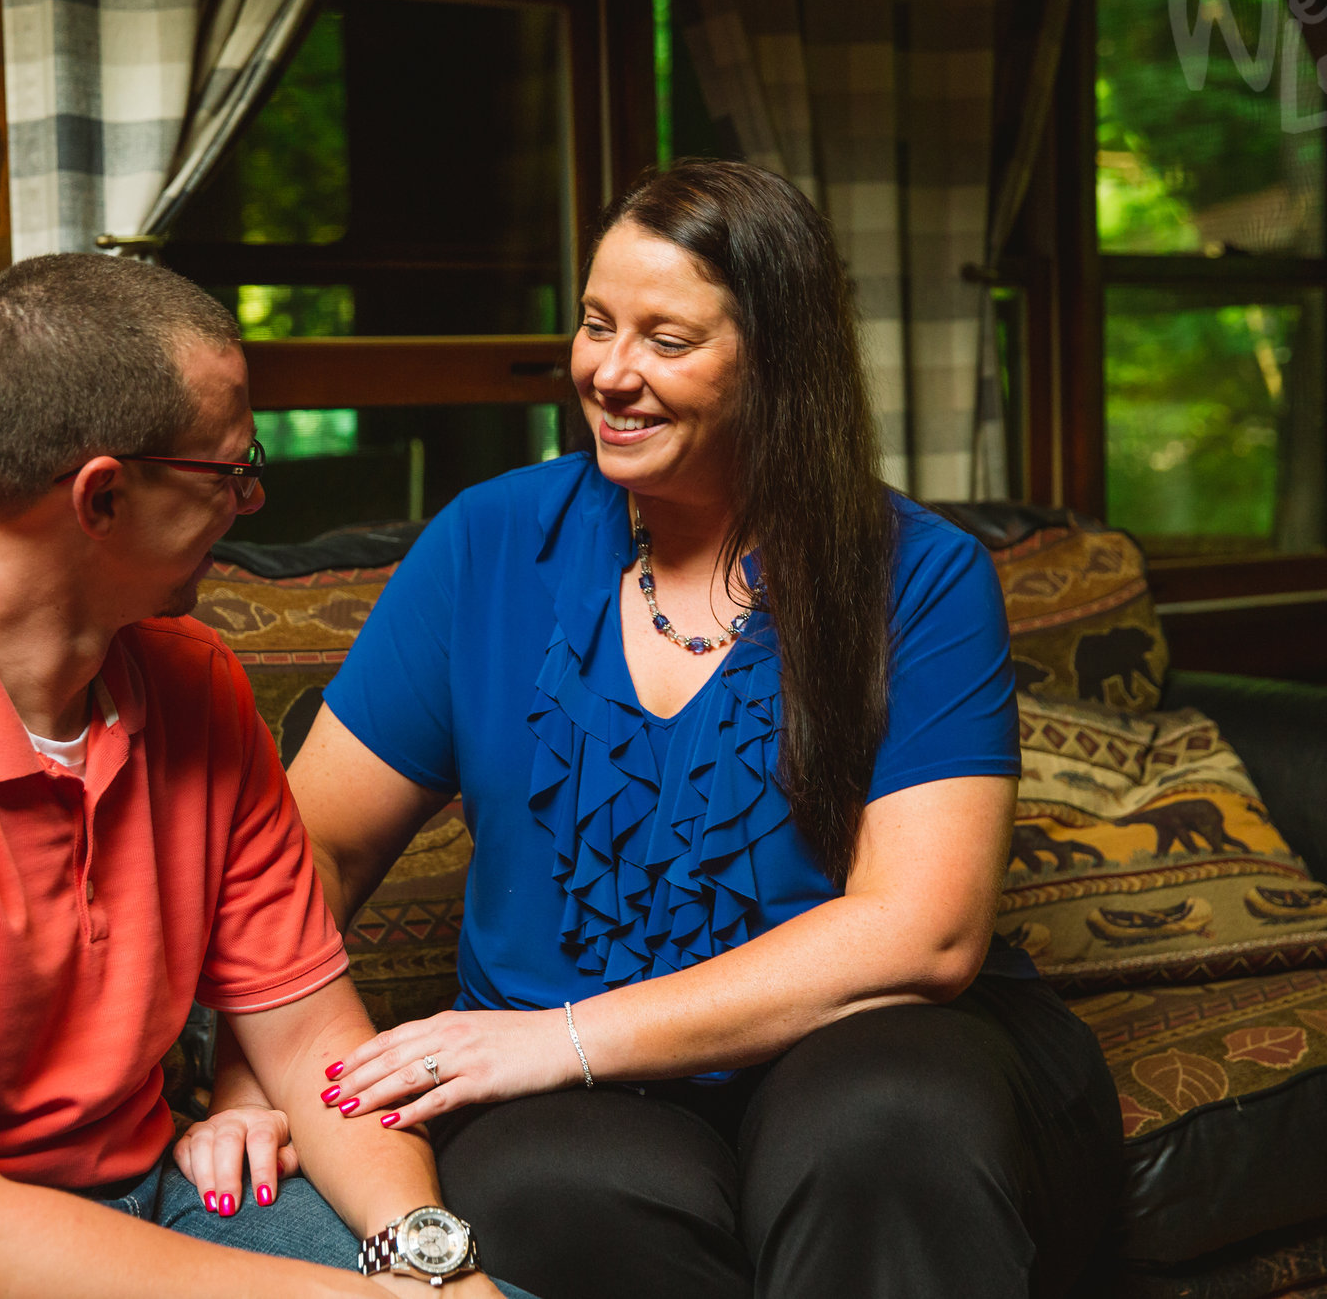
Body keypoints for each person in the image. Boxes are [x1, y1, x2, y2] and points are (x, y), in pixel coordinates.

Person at [201, 161, 1124, 1298]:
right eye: (596, 325)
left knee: (882, 1124)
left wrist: (562, 1037)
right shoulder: (489, 543)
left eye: (667, 340)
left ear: (780, 361)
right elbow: (311, 850)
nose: (610, 372)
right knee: (548, 1190)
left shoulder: (921, 577)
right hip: (573, 1106)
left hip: (854, 1049)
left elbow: (923, 932)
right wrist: (253, 1083)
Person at [0, 254, 525, 1299]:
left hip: (147, 1191)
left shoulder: (195, 684)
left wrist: (429, 1260)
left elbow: (311, 1046)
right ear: (103, 495)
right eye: (228, 472)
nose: (251, 499)